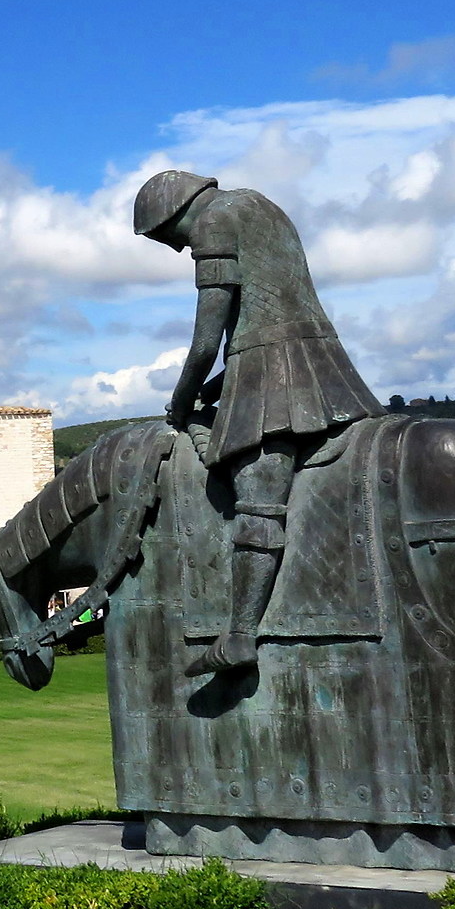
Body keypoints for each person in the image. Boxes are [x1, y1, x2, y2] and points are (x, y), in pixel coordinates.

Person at [135, 168, 383, 675]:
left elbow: (208, 340)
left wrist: (182, 401)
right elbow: (270, 318)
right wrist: (218, 388)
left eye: (166, 237)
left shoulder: (212, 223)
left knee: (258, 501)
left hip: (275, 377)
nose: (176, 248)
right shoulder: (261, 205)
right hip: (318, 360)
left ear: (176, 214)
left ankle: (241, 636)